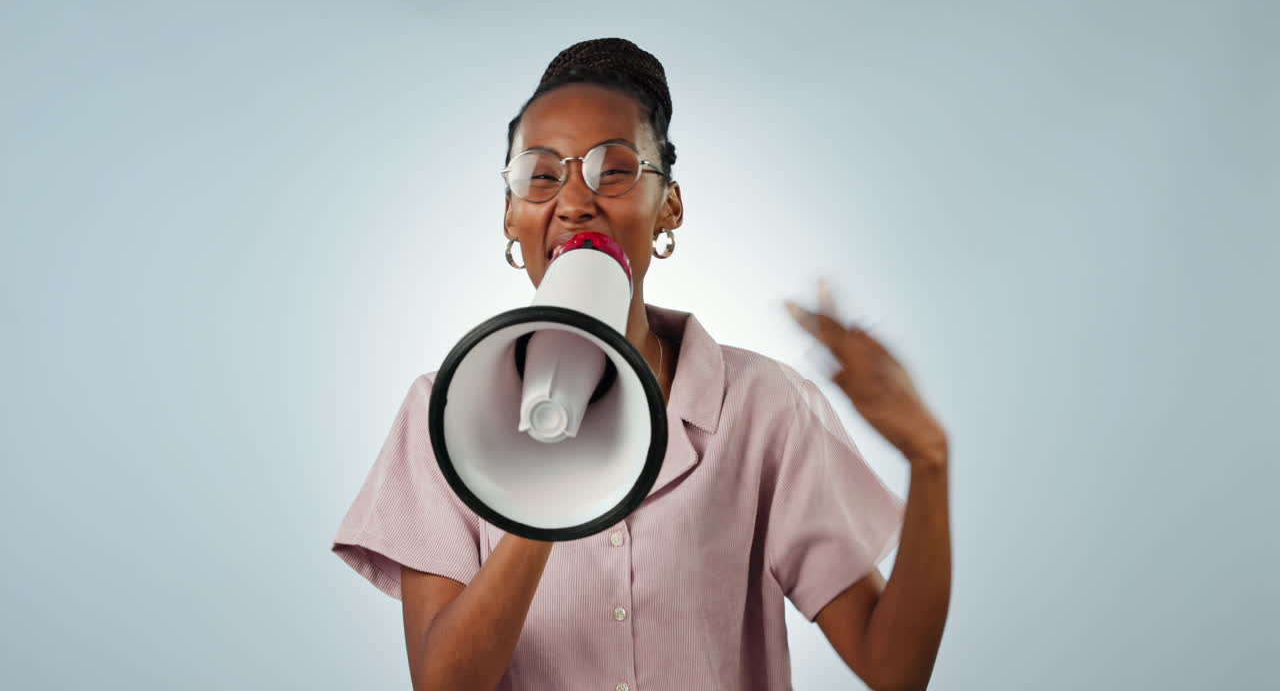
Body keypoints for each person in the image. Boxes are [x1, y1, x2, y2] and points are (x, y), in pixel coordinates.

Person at [331, 37, 952, 691]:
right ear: (510, 216)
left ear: (670, 207)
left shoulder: (765, 408)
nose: (573, 202)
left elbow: (895, 668)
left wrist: (929, 458)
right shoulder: (444, 415)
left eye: (615, 169)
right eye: (541, 176)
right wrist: (549, 491)